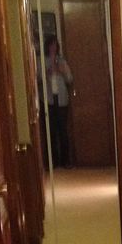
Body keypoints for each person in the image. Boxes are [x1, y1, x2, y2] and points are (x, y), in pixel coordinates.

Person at [43, 34, 74, 168]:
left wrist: (62, 71)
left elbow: (70, 79)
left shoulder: (62, 61)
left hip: (61, 100)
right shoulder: (42, 60)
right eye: (51, 45)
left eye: (55, 45)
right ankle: (53, 162)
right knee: (51, 132)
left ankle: (65, 161)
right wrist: (47, 73)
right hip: (48, 100)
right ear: (47, 46)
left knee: (63, 131)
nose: (53, 48)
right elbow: (36, 78)